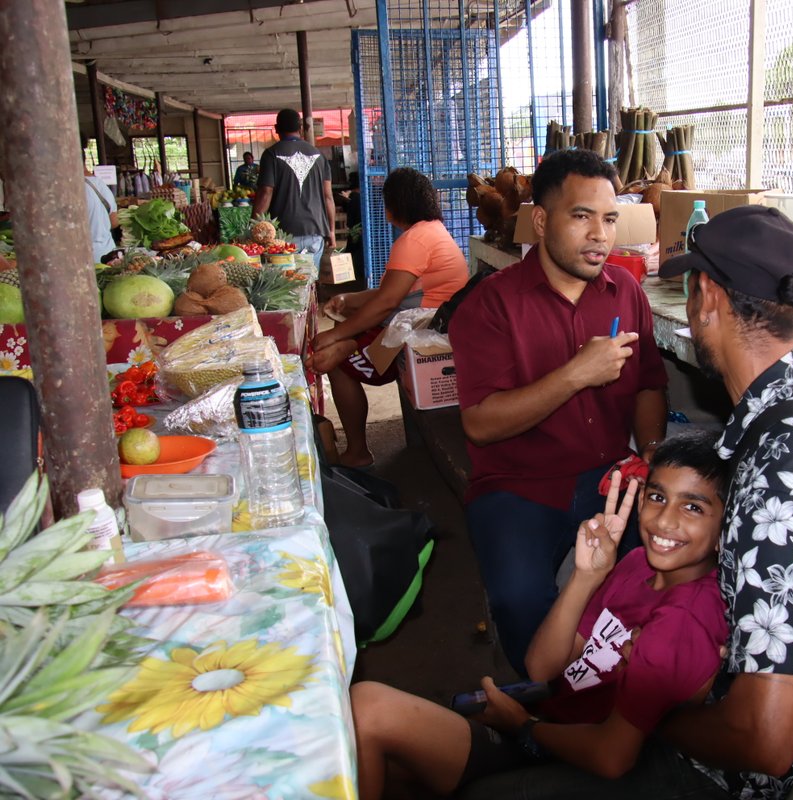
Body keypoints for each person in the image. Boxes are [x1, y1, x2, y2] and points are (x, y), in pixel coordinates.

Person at [460, 205, 793, 800]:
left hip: (729, 776)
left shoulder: (783, 482)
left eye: (692, 288)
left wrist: (643, 703)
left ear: (708, 298)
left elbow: (765, 740)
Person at [351, 430, 730, 800]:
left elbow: (611, 757)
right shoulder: (636, 565)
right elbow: (543, 668)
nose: (664, 521)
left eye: (693, 507)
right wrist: (587, 576)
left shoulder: (684, 618)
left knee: (369, 711)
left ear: (725, 528)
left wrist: (523, 727)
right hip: (554, 722)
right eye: (657, 497)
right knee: (389, 760)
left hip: (572, 752)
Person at [448, 149, 668, 674]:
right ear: (542, 220)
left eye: (610, 219)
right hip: (520, 485)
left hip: (612, 478)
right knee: (520, 600)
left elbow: (649, 385)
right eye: (581, 216)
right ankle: (539, 710)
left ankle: (625, 691)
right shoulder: (491, 305)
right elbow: (479, 421)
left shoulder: (627, 292)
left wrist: (653, 456)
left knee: (668, 568)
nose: (600, 235)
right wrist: (576, 373)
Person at [306, 167, 468, 467]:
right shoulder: (431, 231)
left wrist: (337, 334)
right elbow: (390, 294)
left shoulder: (414, 240)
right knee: (344, 332)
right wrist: (348, 300)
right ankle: (353, 343)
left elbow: (387, 303)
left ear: (394, 205)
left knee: (333, 361)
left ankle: (358, 452)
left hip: (423, 336)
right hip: (428, 322)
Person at [252, 109, 335, 267]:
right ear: (301, 129)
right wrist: (331, 231)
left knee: (287, 286)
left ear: (276, 129)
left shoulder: (271, 155)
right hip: (315, 231)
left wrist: (255, 226)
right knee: (308, 284)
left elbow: (265, 193)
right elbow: (328, 197)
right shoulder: (319, 155)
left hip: (283, 235)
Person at [84, 160, 119, 264]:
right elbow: (114, 222)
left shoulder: (70, 189)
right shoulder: (101, 184)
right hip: (109, 254)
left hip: (86, 259)